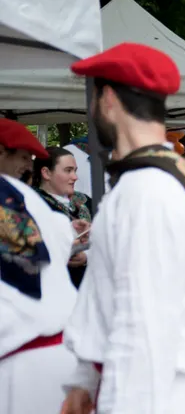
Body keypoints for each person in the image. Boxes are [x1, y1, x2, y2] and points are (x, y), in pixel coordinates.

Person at [61, 43, 185, 413]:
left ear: (107, 99)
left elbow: (142, 329)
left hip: (154, 392)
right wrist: (85, 380)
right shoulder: (163, 180)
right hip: (160, 387)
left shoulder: (146, 191)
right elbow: (106, 293)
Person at [0, 121, 84, 414]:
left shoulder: (25, 196)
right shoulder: (32, 198)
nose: (27, 167)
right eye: (22, 157)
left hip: (20, 362)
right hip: (58, 352)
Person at [32, 146, 92, 288]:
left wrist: (87, 256)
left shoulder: (86, 201)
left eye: (75, 171)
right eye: (68, 170)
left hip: (89, 289)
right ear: (46, 173)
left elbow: (105, 240)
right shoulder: (32, 203)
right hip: (53, 288)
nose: (75, 177)